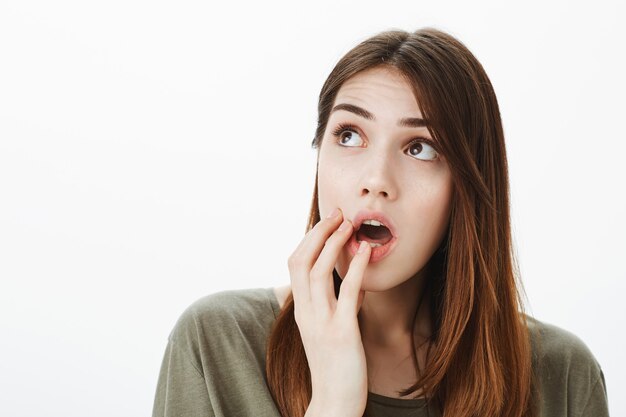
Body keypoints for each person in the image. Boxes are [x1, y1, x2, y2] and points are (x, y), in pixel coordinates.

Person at [151, 28, 609, 417]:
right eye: (349, 136)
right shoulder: (218, 344)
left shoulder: (561, 376)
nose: (376, 181)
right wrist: (332, 400)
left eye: (421, 148)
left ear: (467, 185)